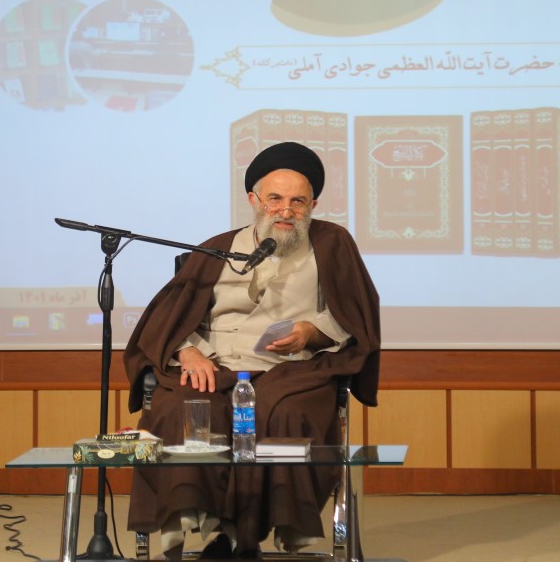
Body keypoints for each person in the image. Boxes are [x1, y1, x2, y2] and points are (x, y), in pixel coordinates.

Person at [123, 142, 382, 560]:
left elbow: (355, 315)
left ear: (313, 205)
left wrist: (311, 331)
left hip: (290, 369)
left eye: (298, 201)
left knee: (285, 412)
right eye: (275, 198)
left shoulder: (332, 244)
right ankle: (196, 517)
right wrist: (188, 353)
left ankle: (284, 524)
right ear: (253, 200)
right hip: (214, 363)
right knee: (186, 408)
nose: (286, 210)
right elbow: (168, 319)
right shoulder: (217, 248)